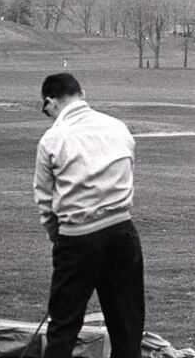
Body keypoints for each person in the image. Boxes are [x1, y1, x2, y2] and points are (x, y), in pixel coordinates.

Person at [33, 73, 144, 358]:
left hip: (77, 238)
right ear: (81, 93)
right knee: (127, 329)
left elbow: (45, 199)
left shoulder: (53, 138)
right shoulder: (118, 127)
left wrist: (57, 235)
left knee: (64, 328)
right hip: (123, 232)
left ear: (50, 102)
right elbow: (127, 173)